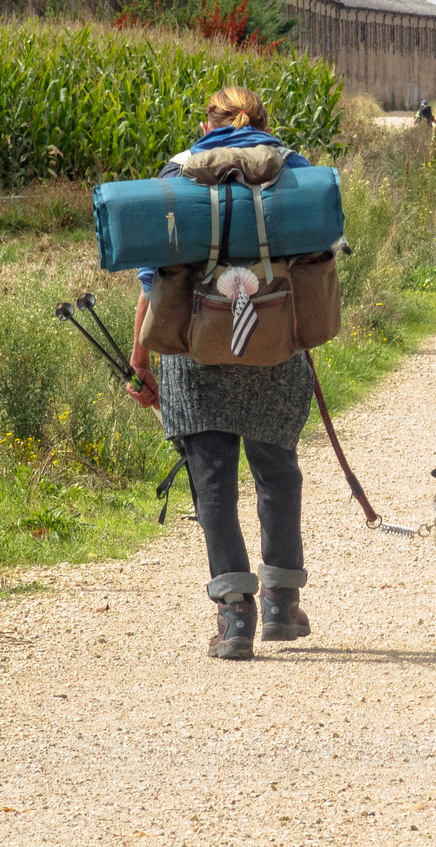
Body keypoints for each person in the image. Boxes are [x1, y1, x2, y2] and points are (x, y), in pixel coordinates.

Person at [129, 86, 315, 661]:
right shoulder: (292, 168)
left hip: (194, 348)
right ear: (262, 119)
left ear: (207, 124)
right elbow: (318, 258)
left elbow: (153, 279)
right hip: (275, 340)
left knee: (211, 477)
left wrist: (140, 358)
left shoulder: (180, 174)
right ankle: (282, 602)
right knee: (276, 468)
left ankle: (235, 616)